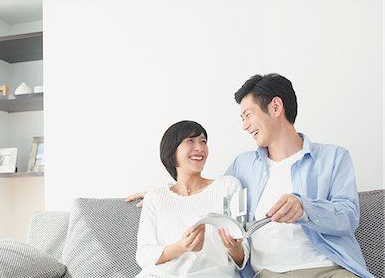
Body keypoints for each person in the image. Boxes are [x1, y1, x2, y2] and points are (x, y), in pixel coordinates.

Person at [127, 74, 373, 278]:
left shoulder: (333, 158)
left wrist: (304, 208)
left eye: (247, 114)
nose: (244, 125)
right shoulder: (243, 166)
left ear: (275, 107)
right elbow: (208, 196)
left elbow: (348, 218)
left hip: (328, 269)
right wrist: (163, 195)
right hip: (267, 273)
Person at [135, 120, 248, 278]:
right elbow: (143, 256)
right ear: (172, 152)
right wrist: (181, 247)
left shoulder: (229, 186)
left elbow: (242, 257)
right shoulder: (155, 197)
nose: (200, 147)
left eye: (203, 141)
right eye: (190, 141)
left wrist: (234, 247)